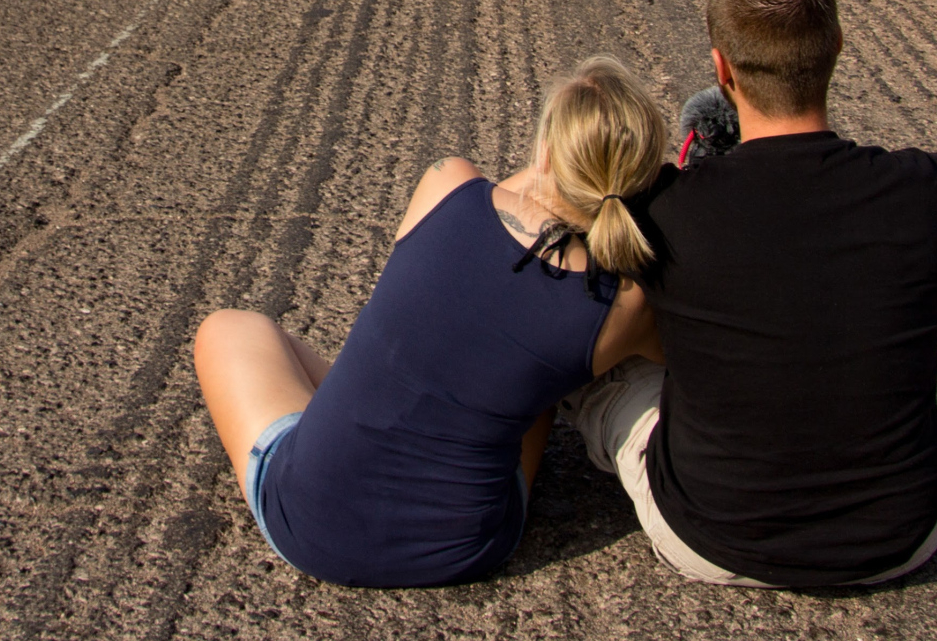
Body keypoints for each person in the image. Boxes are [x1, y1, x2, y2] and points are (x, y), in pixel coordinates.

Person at [566, 0, 937, 587]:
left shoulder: (666, 209)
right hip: (903, 538)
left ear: (722, 69)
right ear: (838, 49)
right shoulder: (916, 189)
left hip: (708, 538)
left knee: (604, 351)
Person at [194, 56, 668, 587]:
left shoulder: (447, 183)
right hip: (465, 548)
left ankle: (354, 428)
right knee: (533, 382)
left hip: (308, 527)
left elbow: (496, 206)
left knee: (228, 328)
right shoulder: (624, 307)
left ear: (545, 151)